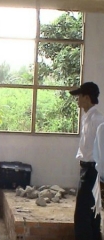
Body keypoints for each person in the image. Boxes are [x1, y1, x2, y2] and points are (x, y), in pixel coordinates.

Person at [69, 81, 104, 240]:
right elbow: (85, 145)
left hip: (93, 172)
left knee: (83, 216)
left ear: (87, 98)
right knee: (91, 213)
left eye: (80, 96)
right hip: (86, 170)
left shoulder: (99, 121)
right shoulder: (87, 118)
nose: (77, 99)